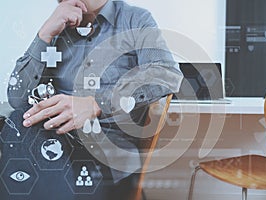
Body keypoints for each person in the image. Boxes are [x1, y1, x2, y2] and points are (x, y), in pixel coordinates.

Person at [2, 0, 183, 199]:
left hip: (102, 151)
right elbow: (17, 97)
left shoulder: (134, 20)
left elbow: (166, 74)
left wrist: (96, 103)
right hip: (52, 140)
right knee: (17, 121)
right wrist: (44, 35)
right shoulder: (58, 26)